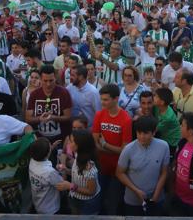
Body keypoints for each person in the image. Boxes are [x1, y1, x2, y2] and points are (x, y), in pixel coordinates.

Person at [116, 116, 169, 216]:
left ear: (154, 132)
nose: (141, 136)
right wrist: (136, 191)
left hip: (157, 199)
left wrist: (156, 196)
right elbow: (119, 173)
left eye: (145, 133)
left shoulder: (164, 146)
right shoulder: (128, 149)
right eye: (139, 133)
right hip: (133, 201)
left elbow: (164, 172)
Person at [92, 84, 132, 215]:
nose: (102, 102)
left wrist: (105, 145)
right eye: (101, 99)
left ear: (116, 99)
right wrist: (106, 147)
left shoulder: (126, 119)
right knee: (100, 197)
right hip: (102, 166)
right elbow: (96, 141)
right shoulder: (99, 115)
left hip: (118, 169)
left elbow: (125, 150)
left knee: (114, 201)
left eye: (106, 100)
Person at [26, 65, 73, 142]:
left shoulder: (64, 93)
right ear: (40, 79)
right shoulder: (34, 95)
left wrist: (53, 117)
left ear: (55, 78)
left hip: (60, 138)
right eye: (45, 81)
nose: (48, 84)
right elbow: (28, 118)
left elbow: (68, 116)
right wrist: (39, 119)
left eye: (51, 80)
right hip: (41, 139)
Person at [61, 129, 101, 215]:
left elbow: (91, 192)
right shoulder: (77, 154)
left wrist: (70, 186)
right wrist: (65, 169)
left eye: (71, 142)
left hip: (87, 203)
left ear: (80, 145)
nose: (68, 144)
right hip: (75, 197)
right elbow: (76, 174)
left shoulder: (90, 169)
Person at [28, 137, 65, 214]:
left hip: (38, 204)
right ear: (48, 153)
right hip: (51, 209)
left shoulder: (32, 160)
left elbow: (40, 153)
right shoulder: (49, 172)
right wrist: (63, 166)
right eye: (49, 147)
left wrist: (51, 148)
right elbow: (63, 185)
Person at [153, 87, 181, 154]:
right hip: (164, 135)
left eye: (156, 97)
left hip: (171, 140)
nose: (153, 97)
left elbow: (155, 129)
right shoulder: (157, 106)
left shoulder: (168, 117)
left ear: (162, 102)